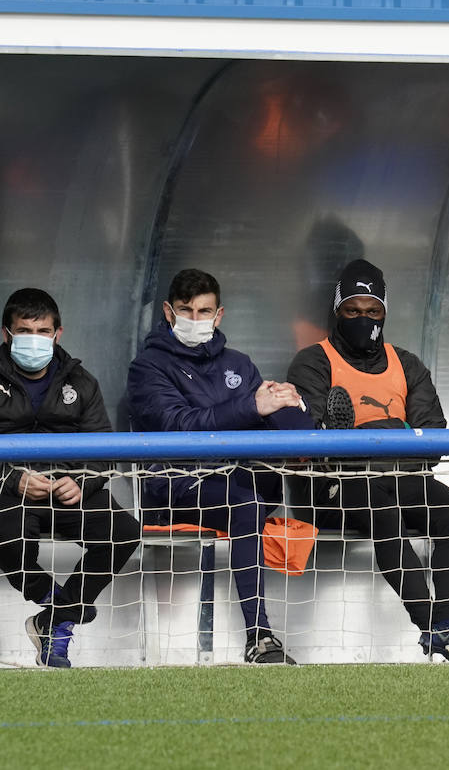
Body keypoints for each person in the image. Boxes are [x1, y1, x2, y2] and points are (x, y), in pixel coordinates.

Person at [287, 259, 449, 662]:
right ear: (337, 311)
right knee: (382, 509)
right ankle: (430, 625)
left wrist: (370, 434)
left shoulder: (406, 363)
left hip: (398, 474)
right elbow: (316, 441)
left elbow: (434, 437)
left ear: (384, 313)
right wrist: (397, 431)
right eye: (353, 311)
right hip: (336, 487)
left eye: (372, 311)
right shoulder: (314, 361)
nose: (363, 319)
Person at [128, 268, 313, 665]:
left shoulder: (239, 364)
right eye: (186, 310)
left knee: (260, 489)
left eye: (204, 311)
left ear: (220, 314)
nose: (195, 320)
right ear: (168, 311)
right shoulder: (148, 367)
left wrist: (293, 405)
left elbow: (270, 421)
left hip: (236, 481)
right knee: (244, 504)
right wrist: (250, 406)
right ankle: (260, 637)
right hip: (175, 485)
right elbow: (180, 425)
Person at [0, 289, 141, 667]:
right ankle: (58, 604)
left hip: (68, 488)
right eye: (24, 331)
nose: (35, 339)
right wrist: (12, 480)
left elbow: (102, 451)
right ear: (6, 334)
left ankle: (53, 622)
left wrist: (82, 482)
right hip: (7, 489)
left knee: (124, 532)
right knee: (10, 539)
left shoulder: (81, 381)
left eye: (43, 331)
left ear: (58, 333)